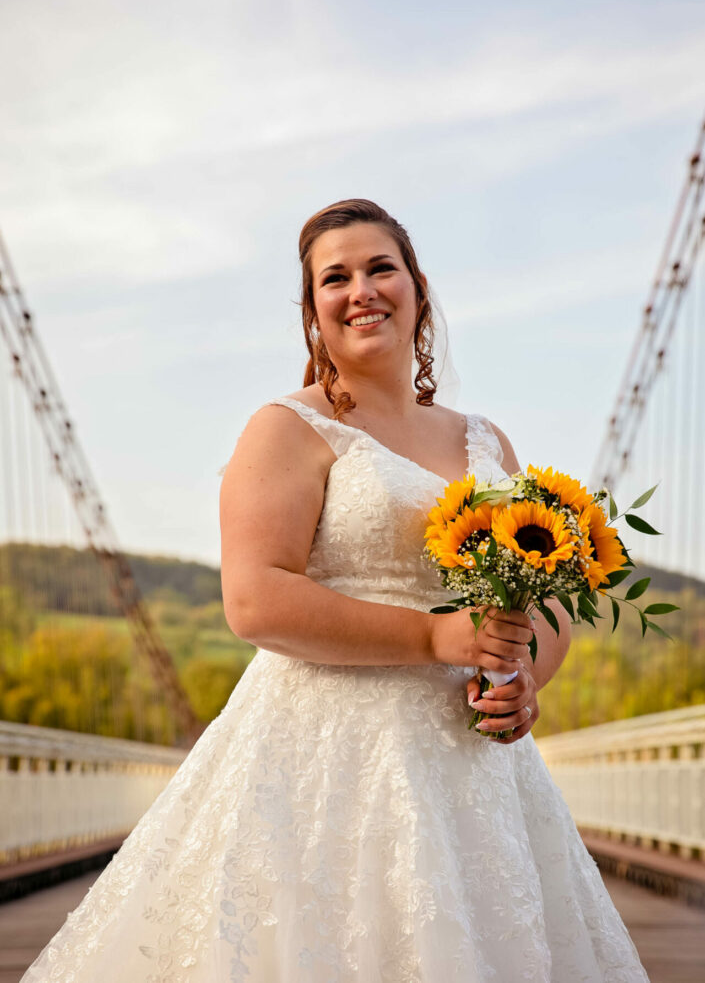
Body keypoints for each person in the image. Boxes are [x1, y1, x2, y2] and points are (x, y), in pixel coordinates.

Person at [21, 198, 649, 982]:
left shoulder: (486, 441)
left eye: (380, 267)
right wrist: (429, 637)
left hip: (471, 768)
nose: (362, 290)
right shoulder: (287, 427)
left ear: (417, 287)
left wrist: (526, 681)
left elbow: (540, 592)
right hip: (321, 760)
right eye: (335, 277)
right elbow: (254, 600)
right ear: (313, 309)